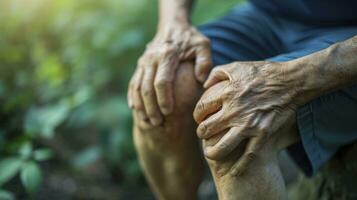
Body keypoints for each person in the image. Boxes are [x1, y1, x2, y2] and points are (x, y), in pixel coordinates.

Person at [127, 0, 357, 199]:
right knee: (166, 88)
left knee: (234, 129)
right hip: (267, 15)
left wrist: (291, 79)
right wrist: (172, 24)